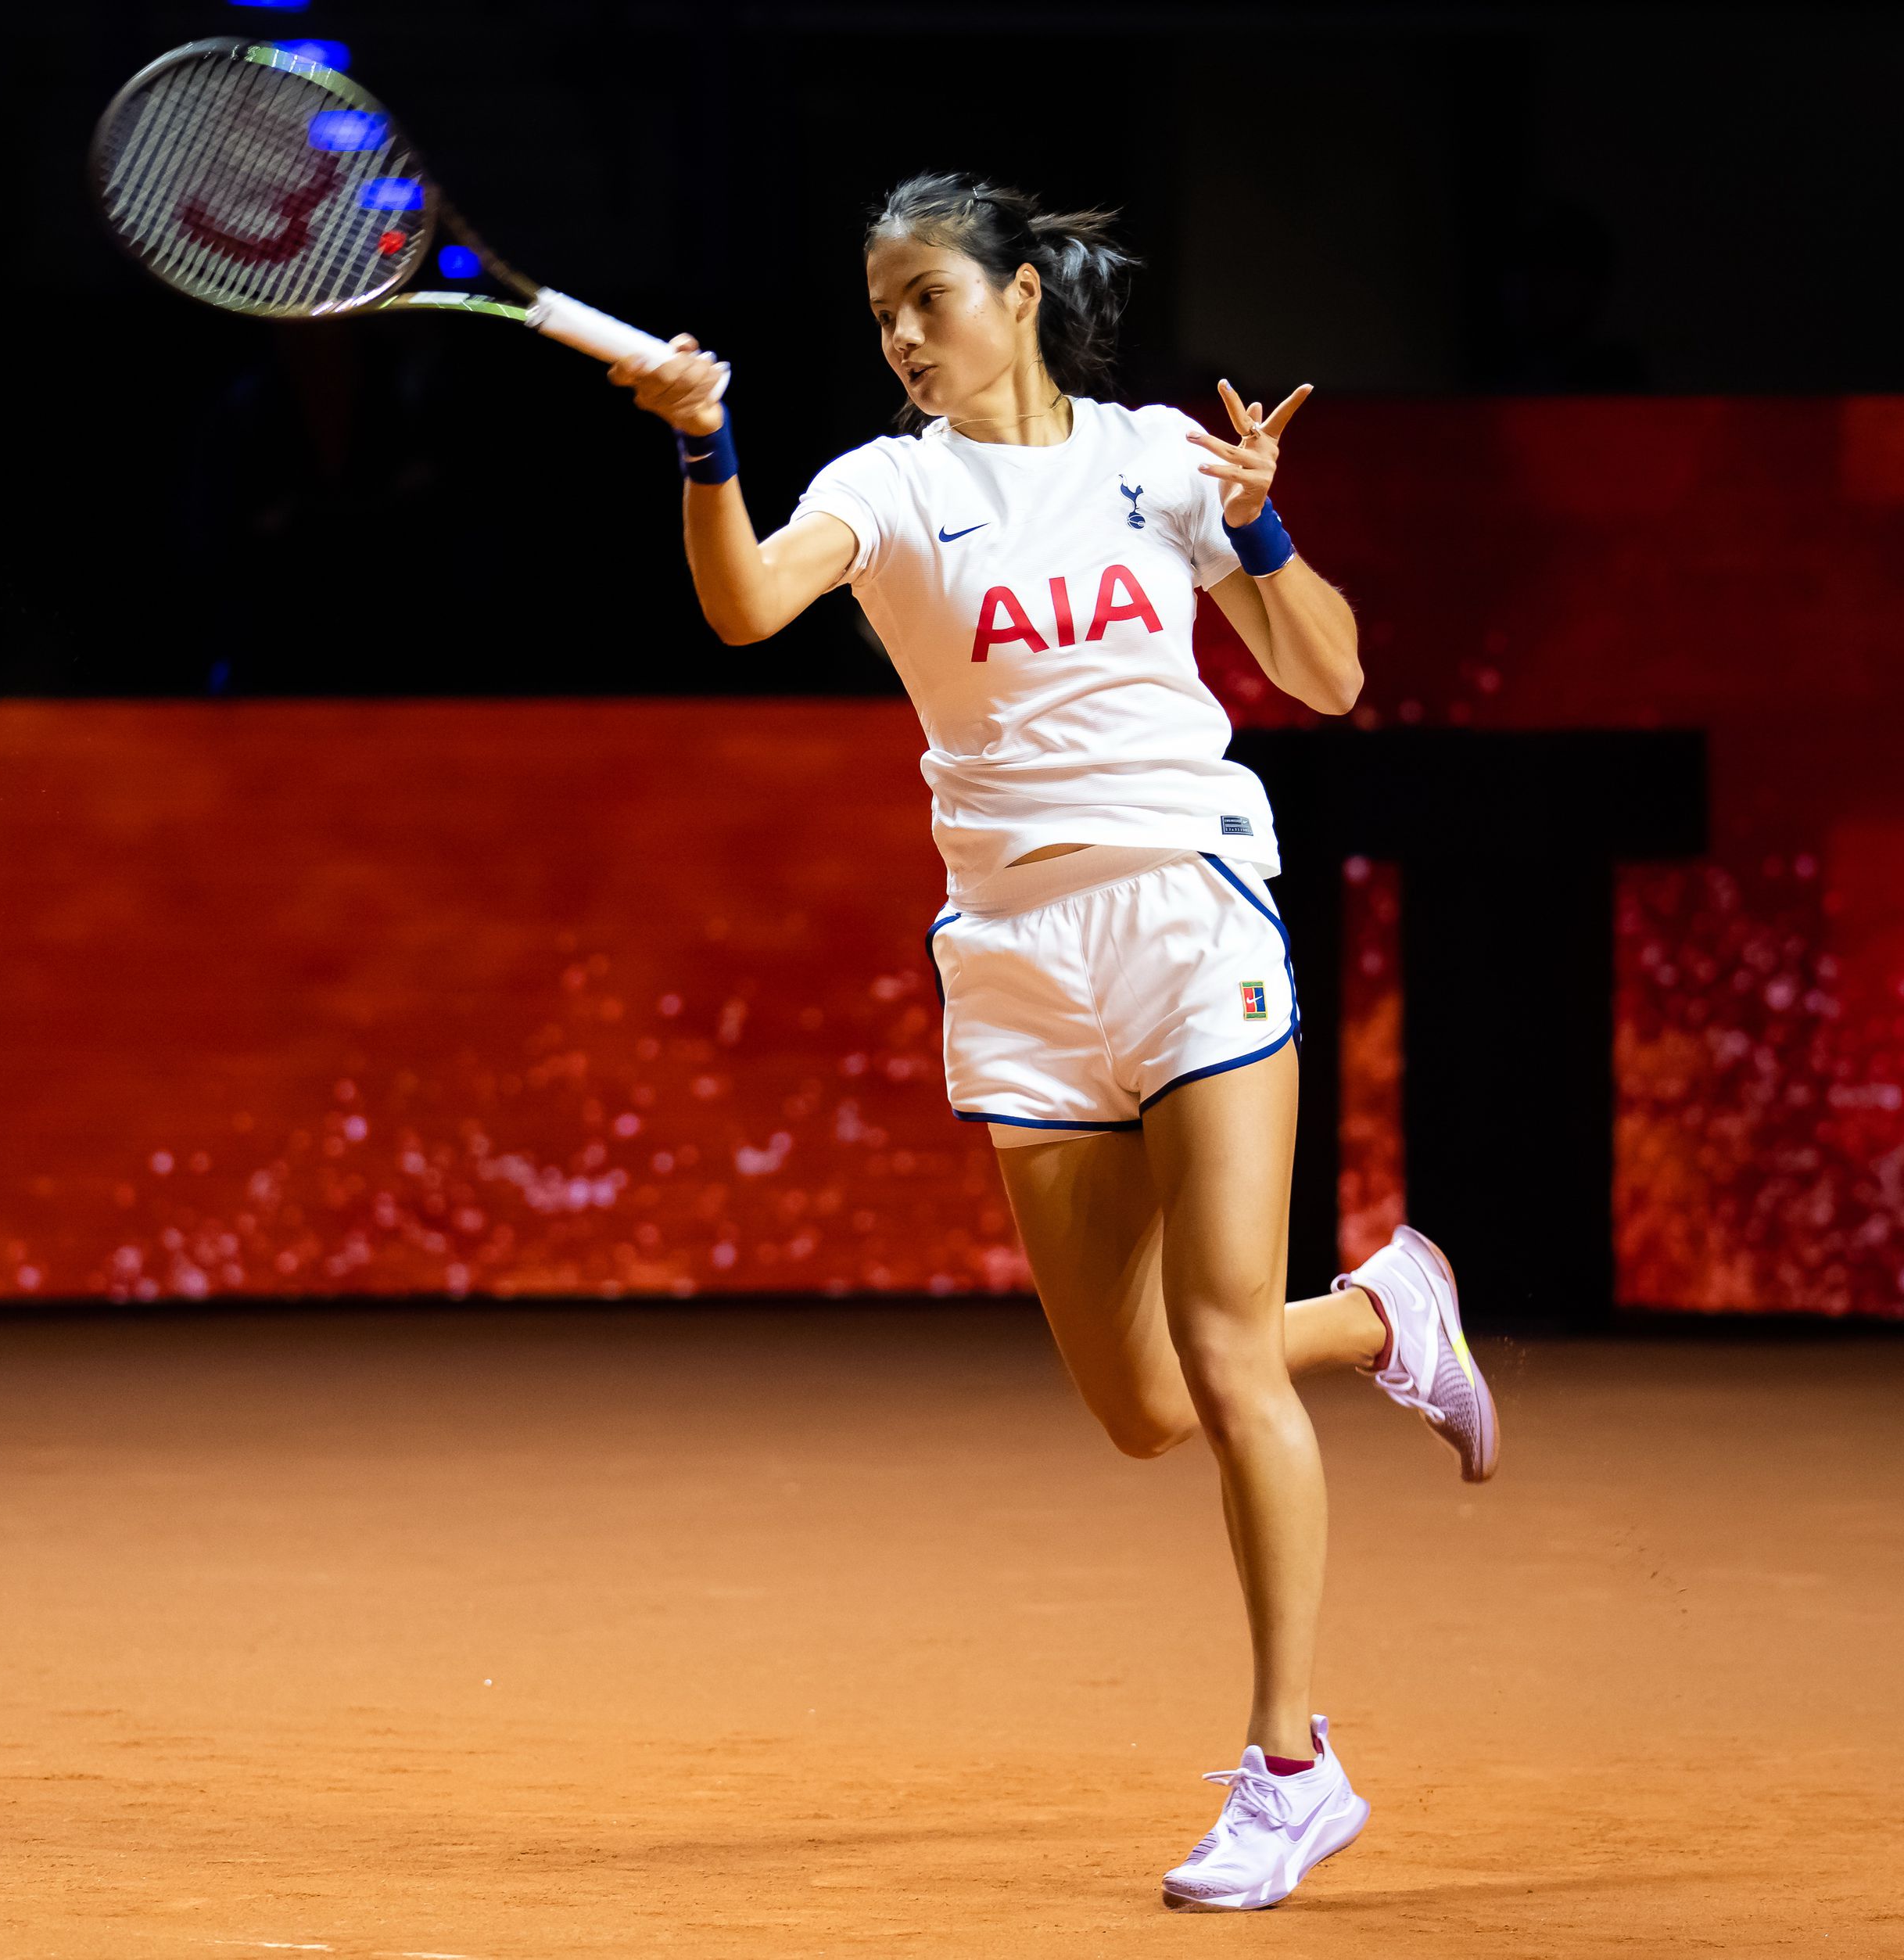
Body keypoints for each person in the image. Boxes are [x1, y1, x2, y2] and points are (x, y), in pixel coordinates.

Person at [609, 171, 1500, 1913]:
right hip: (1016, 960)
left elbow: (1327, 676)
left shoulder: (1157, 458)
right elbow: (743, 607)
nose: (904, 336)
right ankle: (1391, 1308)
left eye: (929, 297)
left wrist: (1257, 527)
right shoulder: (886, 486)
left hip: (1188, 909)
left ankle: (1287, 1770)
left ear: (1017, 296)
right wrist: (706, 443)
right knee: (1145, 1404)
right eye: (882, 316)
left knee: (1226, 1353)